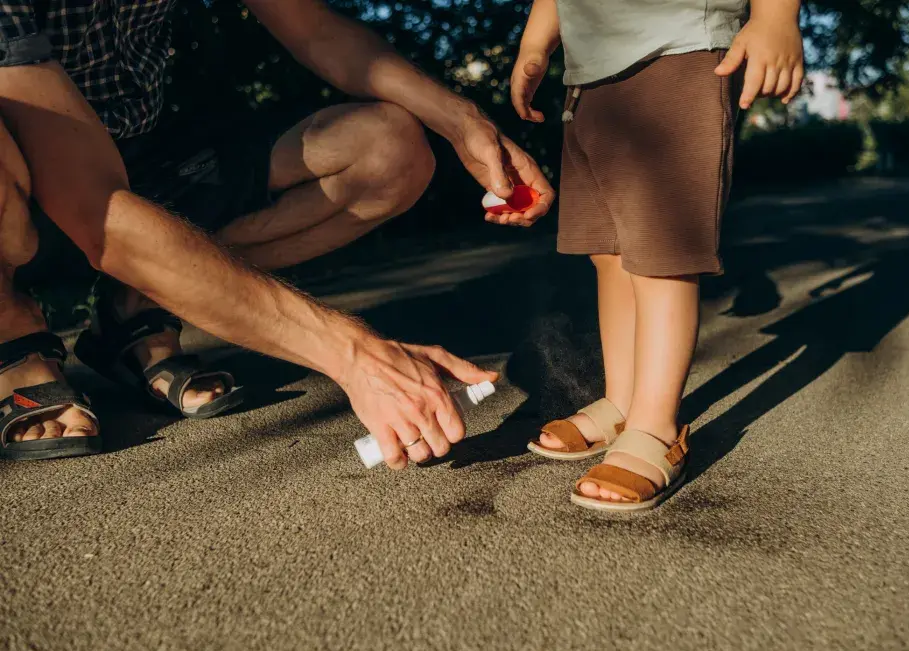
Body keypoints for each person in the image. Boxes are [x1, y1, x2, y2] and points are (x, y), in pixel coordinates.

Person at [0, 0, 554, 466]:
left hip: (142, 150)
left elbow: (313, 27)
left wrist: (464, 123)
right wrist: (353, 353)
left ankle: (134, 309)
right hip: (37, 185)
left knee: (390, 151)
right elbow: (100, 214)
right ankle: (11, 330)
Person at [510, 0, 803, 510]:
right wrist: (536, 45)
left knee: (663, 254)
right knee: (607, 250)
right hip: (590, 74)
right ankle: (623, 401)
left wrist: (776, 17)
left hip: (679, 46)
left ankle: (656, 425)